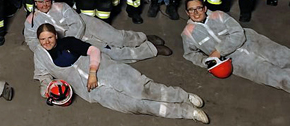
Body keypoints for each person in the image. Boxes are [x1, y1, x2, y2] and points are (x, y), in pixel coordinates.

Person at [33, 24, 209, 123]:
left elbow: (93, 50)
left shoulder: (69, 42)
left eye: (50, 37)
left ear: (56, 35)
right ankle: (186, 112)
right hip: (92, 92)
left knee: (142, 89)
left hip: (105, 70)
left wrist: (93, 72)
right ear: (38, 40)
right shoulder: (40, 55)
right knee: (134, 105)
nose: (47, 42)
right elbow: (43, 76)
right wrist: (47, 90)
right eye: (43, 39)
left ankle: (184, 96)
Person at [24, 0, 170, 62]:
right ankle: (152, 50)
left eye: (46, 1)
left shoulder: (61, 6)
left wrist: (69, 41)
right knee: (112, 54)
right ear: (35, 2)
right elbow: (31, 41)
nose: (44, 5)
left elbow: (77, 24)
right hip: (74, 42)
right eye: (40, 2)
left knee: (118, 38)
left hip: (87, 25)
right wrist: (50, 49)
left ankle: (143, 37)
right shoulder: (31, 21)